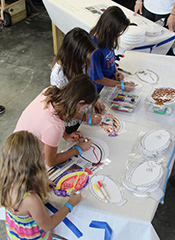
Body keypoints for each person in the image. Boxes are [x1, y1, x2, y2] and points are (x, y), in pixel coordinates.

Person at [0, 131, 82, 240]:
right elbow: (49, 225)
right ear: (35, 163)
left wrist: (38, 184)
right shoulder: (30, 199)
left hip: (14, 235)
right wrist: (70, 204)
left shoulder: (6, 180)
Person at [14, 74, 99, 167]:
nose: (81, 110)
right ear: (79, 103)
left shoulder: (49, 92)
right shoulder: (54, 126)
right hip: (25, 163)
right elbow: (51, 162)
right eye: (84, 107)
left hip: (15, 145)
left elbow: (45, 125)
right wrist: (78, 149)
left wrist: (65, 135)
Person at [50, 27, 105, 134]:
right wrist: (86, 118)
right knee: (76, 140)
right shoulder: (58, 76)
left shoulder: (81, 62)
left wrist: (93, 101)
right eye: (85, 57)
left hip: (85, 111)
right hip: (72, 120)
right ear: (75, 54)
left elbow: (85, 87)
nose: (87, 61)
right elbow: (64, 109)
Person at [89, 6, 135, 93]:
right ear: (109, 28)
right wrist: (121, 85)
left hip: (110, 83)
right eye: (117, 32)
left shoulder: (106, 38)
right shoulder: (94, 50)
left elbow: (110, 59)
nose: (118, 35)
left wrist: (116, 71)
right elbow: (97, 78)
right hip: (99, 90)